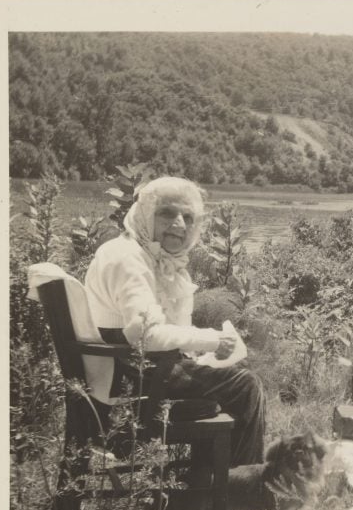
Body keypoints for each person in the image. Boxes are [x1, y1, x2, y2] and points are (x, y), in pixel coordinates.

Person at [84, 176, 265, 468]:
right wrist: (212, 340)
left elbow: (156, 330)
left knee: (236, 371)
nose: (179, 224)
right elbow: (147, 335)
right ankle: (237, 498)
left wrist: (201, 351)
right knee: (245, 385)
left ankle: (209, 493)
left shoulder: (143, 254)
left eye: (188, 217)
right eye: (167, 213)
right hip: (132, 382)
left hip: (133, 371)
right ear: (145, 213)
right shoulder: (127, 259)